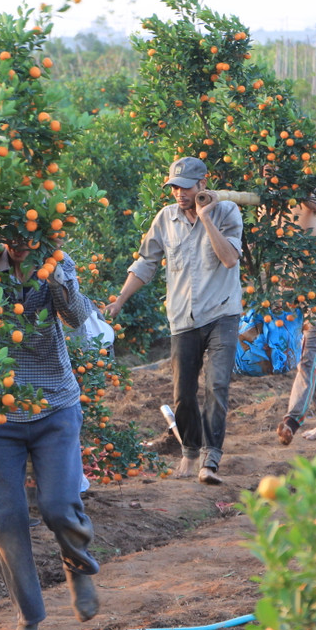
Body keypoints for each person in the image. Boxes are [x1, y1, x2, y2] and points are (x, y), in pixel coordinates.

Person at [0, 239, 100, 630]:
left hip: (55, 406)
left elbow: (77, 318)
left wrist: (60, 272)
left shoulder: (57, 264)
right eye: (15, 237)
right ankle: (28, 619)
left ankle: (77, 565)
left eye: (33, 236)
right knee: (5, 519)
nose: (24, 245)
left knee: (59, 504)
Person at [102, 157, 242, 485]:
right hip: (183, 318)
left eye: (186, 187)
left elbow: (230, 258)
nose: (179, 193)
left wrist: (206, 218)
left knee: (217, 385)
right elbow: (146, 263)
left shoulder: (227, 212)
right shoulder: (165, 219)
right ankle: (191, 450)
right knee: (183, 393)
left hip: (222, 313)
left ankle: (211, 458)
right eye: (175, 187)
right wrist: (119, 301)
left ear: (203, 184)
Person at [275, 196, 316, 444]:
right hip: (290, 290)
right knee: (311, 356)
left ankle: (292, 420)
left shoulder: (311, 188)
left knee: (308, 356)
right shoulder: (271, 203)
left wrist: (296, 185)